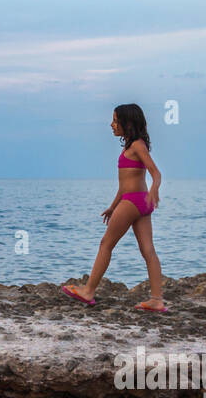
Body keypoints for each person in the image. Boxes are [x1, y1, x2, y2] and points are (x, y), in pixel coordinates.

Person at [62, 103, 167, 312]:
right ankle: (157, 300)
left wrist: (155, 189)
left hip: (134, 202)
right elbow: (124, 185)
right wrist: (112, 206)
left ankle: (88, 291)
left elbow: (156, 172)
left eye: (115, 121)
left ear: (127, 123)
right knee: (148, 250)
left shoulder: (137, 145)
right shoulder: (130, 146)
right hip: (137, 202)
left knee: (106, 244)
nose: (111, 125)